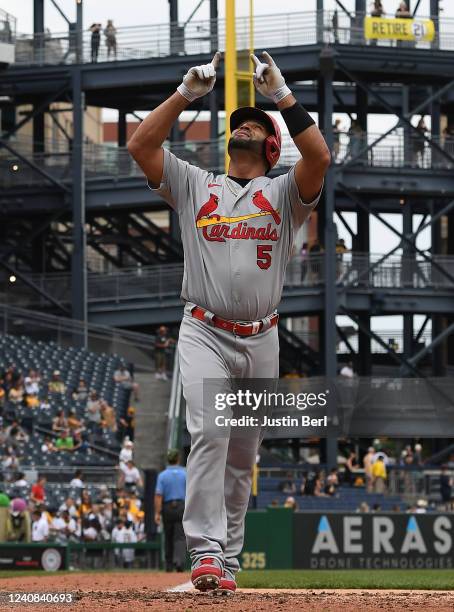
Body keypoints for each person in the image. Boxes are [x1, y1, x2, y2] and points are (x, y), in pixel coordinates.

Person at [128, 49, 329, 595]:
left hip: (262, 338)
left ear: (269, 145)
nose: (244, 125)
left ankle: (230, 558)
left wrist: (281, 98)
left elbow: (319, 157)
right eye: (239, 122)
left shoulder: (286, 193)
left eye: (254, 126)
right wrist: (186, 94)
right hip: (204, 329)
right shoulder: (197, 184)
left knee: (244, 456)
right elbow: (140, 145)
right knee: (210, 432)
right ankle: (205, 551)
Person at [154, 449, 187, 573]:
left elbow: (158, 495)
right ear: (178, 459)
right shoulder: (185, 473)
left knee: (168, 535)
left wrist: (157, 512)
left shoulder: (162, 475)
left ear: (168, 460)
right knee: (180, 536)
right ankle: (179, 562)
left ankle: (168, 564)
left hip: (167, 507)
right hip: (181, 506)